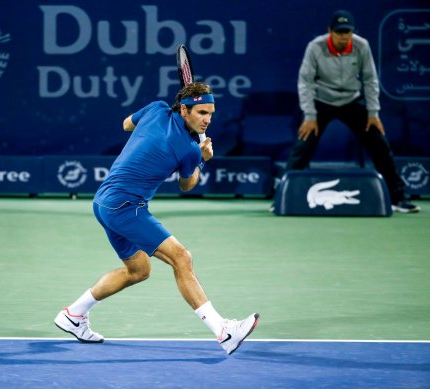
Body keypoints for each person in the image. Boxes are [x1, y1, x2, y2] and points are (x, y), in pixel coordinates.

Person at [54, 82, 259, 355]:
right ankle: (224, 331)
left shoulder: (156, 109)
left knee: (138, 271)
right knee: (181, 258)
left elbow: (127, 124)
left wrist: (160, 135)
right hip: (126, 207)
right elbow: (187, 186)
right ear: (184, 110)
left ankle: (74, 315)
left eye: (210, 113)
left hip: (103, 202)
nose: (208, 119)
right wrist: (202, 158)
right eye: (201, 113)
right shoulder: (188, 150)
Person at [285, 10, 420, 213]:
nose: (343, 37)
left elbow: (370, 80)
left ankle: (397, 197)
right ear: (330, 31)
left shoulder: (361, 46)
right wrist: (310, 115)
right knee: (303, 144)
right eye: (339, 33)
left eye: (347, 32)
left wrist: (373, 113)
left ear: (352, 32)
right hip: (321, 100)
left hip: (351, 100)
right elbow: (305, 82)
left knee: (379, 143)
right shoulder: (316, 47)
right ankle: (288, 197)